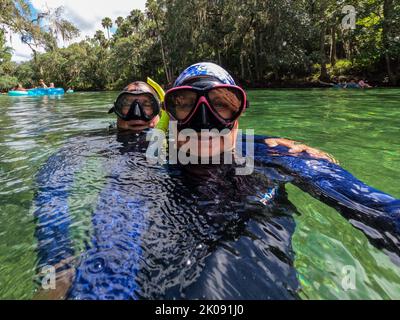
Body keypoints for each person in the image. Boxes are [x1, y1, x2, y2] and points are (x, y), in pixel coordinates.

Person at [32, 63, 399, 300]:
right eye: (186, 104)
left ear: (238, 116)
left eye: (221, 104)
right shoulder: (146, 169)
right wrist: (63, 268)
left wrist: (277, 147)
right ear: (170, 118)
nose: (203, 119)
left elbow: (372, 205)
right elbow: (113, 242)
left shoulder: (271, 156)